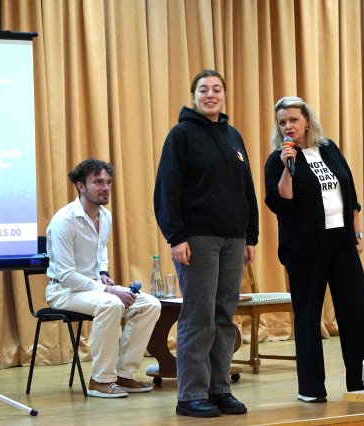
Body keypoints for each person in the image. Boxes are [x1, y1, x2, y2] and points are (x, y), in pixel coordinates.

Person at [154, 69, 259, 418]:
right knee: (199, 316)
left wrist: (250, 235)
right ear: (193, 96)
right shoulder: (181, 135)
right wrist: (176, 237)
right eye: (203, 90)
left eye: (216, 89)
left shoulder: (233, 136)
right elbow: (167, 190)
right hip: (197, 239)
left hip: (234, 238)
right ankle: (191, 394)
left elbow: (246, 188)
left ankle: (219, 388)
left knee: (224, 316)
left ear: (224, 95)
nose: (210, 95)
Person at [264, 96, 364, 403]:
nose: (288, 126)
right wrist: (287, 168)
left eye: (293, 120)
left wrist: (357, 233)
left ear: (307, 121)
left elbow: (350, 193)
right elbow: (280, 203)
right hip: (304, 249)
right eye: (282, 122)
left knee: (357, 311)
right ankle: (311, 389)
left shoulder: (328, 148)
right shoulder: (277, 160)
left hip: (341, 243)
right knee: (307, 317)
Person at [45, 159, 161, 398]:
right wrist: (109, 291)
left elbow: (101, 254)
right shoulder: (64, 221)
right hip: (63, 291)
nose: (106, 188)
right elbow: (67, 276)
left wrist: (104, 275)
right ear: (80, 186)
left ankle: (123, 374)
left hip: (93, 288)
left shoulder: (105, 216)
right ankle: (100, 380)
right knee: (111, 303)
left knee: (150, 304)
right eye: (98, 182)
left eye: (108, 182)